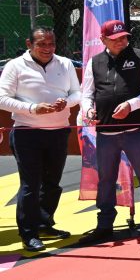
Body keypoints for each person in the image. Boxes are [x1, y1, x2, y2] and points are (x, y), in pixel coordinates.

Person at [79, 20, 140, 244]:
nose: (122, 42)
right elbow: (86, 94)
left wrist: (131, 105)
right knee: (106, 179)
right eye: (116, 39)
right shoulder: (94, 62)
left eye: (124, 37)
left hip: (136, 130)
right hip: (106, 132)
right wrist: (88, 110)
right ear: (103, 40)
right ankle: (105, 224)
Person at [0, 27, 80, 251]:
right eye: (41, 44)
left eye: (51, 44)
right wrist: (33, 109)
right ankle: (28, 233)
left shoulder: (65, 63)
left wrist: (67, 102)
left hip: (59, 131)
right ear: (29, 44)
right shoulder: (14, 66)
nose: (47, 48)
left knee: (52, 185)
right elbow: (2, 98)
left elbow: (78, 93)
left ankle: (44, 224)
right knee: (30, 186)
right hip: (27, 132)